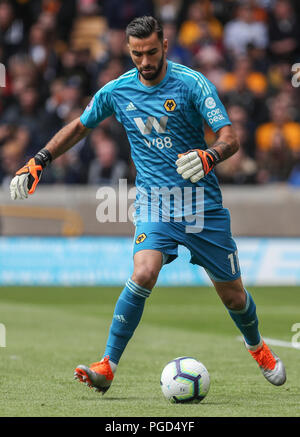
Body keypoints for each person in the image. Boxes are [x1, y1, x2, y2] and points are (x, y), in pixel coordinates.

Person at [9, 16, 286, 394]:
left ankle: (257, 347)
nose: (144, 61)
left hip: (201, 204)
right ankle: (107, 364)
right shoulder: (118, 91)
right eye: (137, 54)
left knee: (234, 296)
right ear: (128, 50)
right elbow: (79, 126)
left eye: (151, 52)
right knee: (143, 273)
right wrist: (39, 159)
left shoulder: (192, 83)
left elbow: (230, 137)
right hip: (155, 203)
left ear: (165, 46)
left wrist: (209, 156)